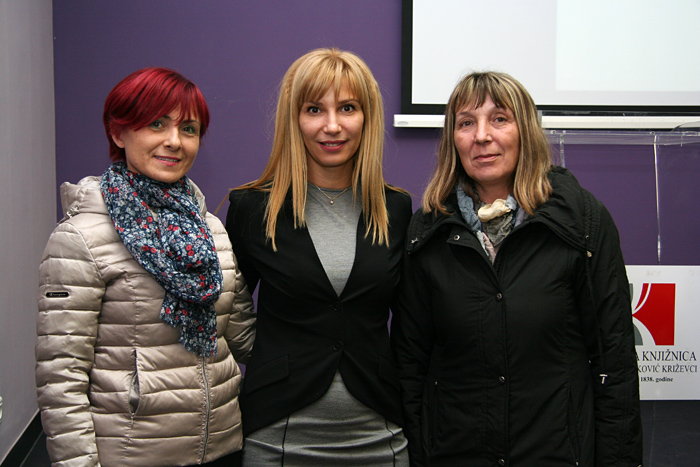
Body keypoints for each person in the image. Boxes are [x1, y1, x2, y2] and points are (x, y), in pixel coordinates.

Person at [392, 71, 643, 466]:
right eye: (466, 123)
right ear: (452, 140)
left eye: (499, 119)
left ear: (524, 130)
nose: (481, 136)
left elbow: (615, 364)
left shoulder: (582, 222)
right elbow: (410, 366)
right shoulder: (427, 232)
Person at [36, 67, 256, 467]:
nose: (174, 141)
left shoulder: (211, 230)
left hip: (223, 446)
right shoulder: (80, 237)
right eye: (157, 124)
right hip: (132, 454)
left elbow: (244, 339)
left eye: (188, 129)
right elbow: (61, 378)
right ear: (118, 133)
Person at [225, 48, 412, 466]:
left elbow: (411, 330)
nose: (332, 126)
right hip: (278, 442)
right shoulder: (253, 209)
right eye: (314, 109)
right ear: (293, 118)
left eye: (347, 108)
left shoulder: (395, 209)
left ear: (367, 118)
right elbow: (228, 318)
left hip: (380, 438)